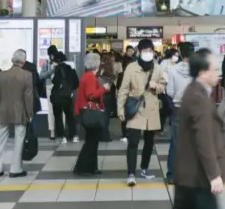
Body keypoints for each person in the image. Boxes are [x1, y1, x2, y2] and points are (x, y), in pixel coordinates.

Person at [163, 50, 225, 209]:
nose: (219, 73)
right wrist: (214, 174)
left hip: (197, 169)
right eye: (215, 69)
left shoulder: (197, 91)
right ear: (202, 72)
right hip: (199, 171)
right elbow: (203, 138)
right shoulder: (197, 95)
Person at [117, 38, 166, 186]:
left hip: (151, 108)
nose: (148, 53)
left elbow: (163, 86)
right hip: (135, 109)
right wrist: (120, 108)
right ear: (139, 52)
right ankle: (131, 173)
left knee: (149, 142)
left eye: (150, 51)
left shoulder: (157, 68)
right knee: (133, 142)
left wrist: (155, 86)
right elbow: (123, 90)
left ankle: (144, 168)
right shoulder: (131, 68)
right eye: (145, 51)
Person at [0, 49, 34, 178]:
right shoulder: (27, 75)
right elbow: (28, 97)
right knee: (19, 140)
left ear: (12, 60)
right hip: (20, 112)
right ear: (24, 61)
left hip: (3, 111)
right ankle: (15, 169)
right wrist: (29, 113)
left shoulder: (1, 75)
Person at [164, 42, 195, 184]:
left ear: (180, 54)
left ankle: (172, 175)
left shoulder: (173, 70)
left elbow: (169, 91)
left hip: (178, 109)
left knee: (176, 142)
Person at [74, 53, 107, 176]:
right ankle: (85, 168)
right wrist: (104, 88)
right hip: (90, 112)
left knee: (91, 140)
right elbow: (91, 95)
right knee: (92, 142)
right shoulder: (91, 77)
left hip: (84, 111)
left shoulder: (86, 76)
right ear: (97, 64)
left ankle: (89, 167)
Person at [50, 52, 80, 144]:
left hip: (57, 96)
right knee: (70, 116)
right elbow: (76, 83)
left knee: (58, 116)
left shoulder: (57, 69)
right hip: (67, 96)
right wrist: (70, 90)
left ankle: (62, 137)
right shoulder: (70, 69)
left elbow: (55, 81)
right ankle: (74, 135)